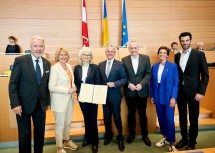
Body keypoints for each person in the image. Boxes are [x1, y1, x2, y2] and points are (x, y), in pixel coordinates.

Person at [9, 36, 51, 153]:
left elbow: (45, 85)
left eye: (41, 46)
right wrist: (15, 103)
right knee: (25, 135)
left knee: (40, 132)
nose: (38, 48)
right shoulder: (20, 61)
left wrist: (47, 102)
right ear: (30, 47)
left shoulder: (47, 63)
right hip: (22, 105)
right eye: (35, 46)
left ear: (44, 47)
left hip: (40, 105)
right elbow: (13, 85)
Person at [175, 32, 209, 150]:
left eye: (187, 40)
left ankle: (192, 142)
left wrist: (201, 92)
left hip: (194, 93)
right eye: (182, 41)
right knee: (182, 117)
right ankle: (184, 138)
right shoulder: (177, 56)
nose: (184, 43)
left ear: (190, 40)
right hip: (181, 92)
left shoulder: (199, 54)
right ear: (180, 41)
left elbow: (205, 75)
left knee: (193, 118)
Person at [122, 40, 152, 146]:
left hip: (142, 91)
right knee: (131, 114)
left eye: (135, 48)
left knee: (143, 115)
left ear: (138, 48)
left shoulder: (146, 58)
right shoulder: (124, 60)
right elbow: (123, 76)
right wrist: (129, 84)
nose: (133, 50)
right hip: (129, 92)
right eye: (131, 48)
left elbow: (148, 73)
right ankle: (131, 134)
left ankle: (145, 135)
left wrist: (141, 84)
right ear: (128, 49)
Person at [49, 48, 78, 153]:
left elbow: (71, 81)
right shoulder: (54, 68)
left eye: (65, 54)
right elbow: (51, 87)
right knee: (60, 124)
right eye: (61, 54)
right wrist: (67, 90)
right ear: (57, 56)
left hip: (70, 100)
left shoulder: (69, 66)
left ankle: (66, 141)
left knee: (68, 122)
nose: (63, 56)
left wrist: (74, 87)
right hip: (59, 101)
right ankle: (59, 147)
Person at [98, 45, 127, 151]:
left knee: (117, 118)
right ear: (105, 52)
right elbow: (99, 80)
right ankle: (108, 135)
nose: (109, 53)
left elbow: (124, 79)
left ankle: (120, 138)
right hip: (103, 97)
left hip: (115, 96)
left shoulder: (120, 64)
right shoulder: (100, 65)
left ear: (114, 53)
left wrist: (114, 83)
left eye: (111, 51)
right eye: (108, 51)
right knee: (106, 118)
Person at [150, 46, 179, 152]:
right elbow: (152, 83)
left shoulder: (173, 66)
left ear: (167, 55)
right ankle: (166, 138)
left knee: (169, 120)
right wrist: (152, 96)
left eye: (164, 53)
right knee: (161, 120)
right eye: (160, 52)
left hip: (169, 98)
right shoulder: (154, 66)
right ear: (158, 54)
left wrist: (173, 97)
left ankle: (172, 143)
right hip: (158, 97)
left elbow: (176, 83)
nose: (162, 54)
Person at [74, 47, 100, 153]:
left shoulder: (95, 67)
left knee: (93, 120)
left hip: (92, 98)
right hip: (82, 98)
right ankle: (87, 138)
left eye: (88, 55)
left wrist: (95, 97)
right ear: (81, 56)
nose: (86, 56)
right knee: (86, 118)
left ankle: (95, 142)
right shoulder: (77, 68)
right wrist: (79, 93)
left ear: (91, 57)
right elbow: (76, 82)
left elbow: (98, 82)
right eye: (84, 54)